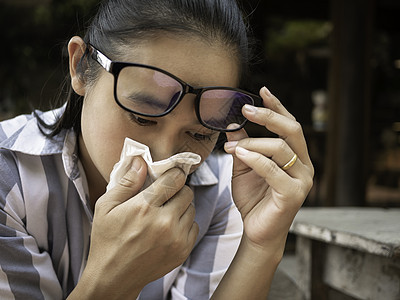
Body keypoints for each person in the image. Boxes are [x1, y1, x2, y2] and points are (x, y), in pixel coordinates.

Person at [0, 0, 314, 299]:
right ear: (81, 67)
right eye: (141, 117)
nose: (164, 156)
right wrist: (112, 279)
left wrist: (262, 244)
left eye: (199, 133)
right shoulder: (8, 179)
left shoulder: (226, 194)